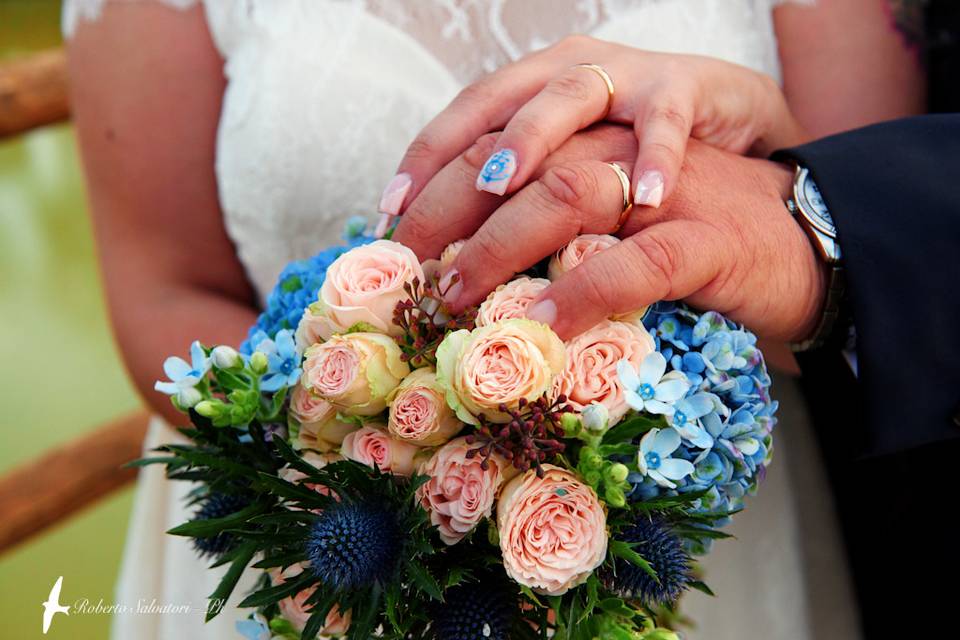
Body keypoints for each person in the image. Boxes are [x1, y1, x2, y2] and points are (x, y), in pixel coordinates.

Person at [63, 1, 921, 638]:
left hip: (702, 556)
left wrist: (771, 187)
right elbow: (164, 288)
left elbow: (888, 277)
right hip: (321, 528)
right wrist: (386, 477)